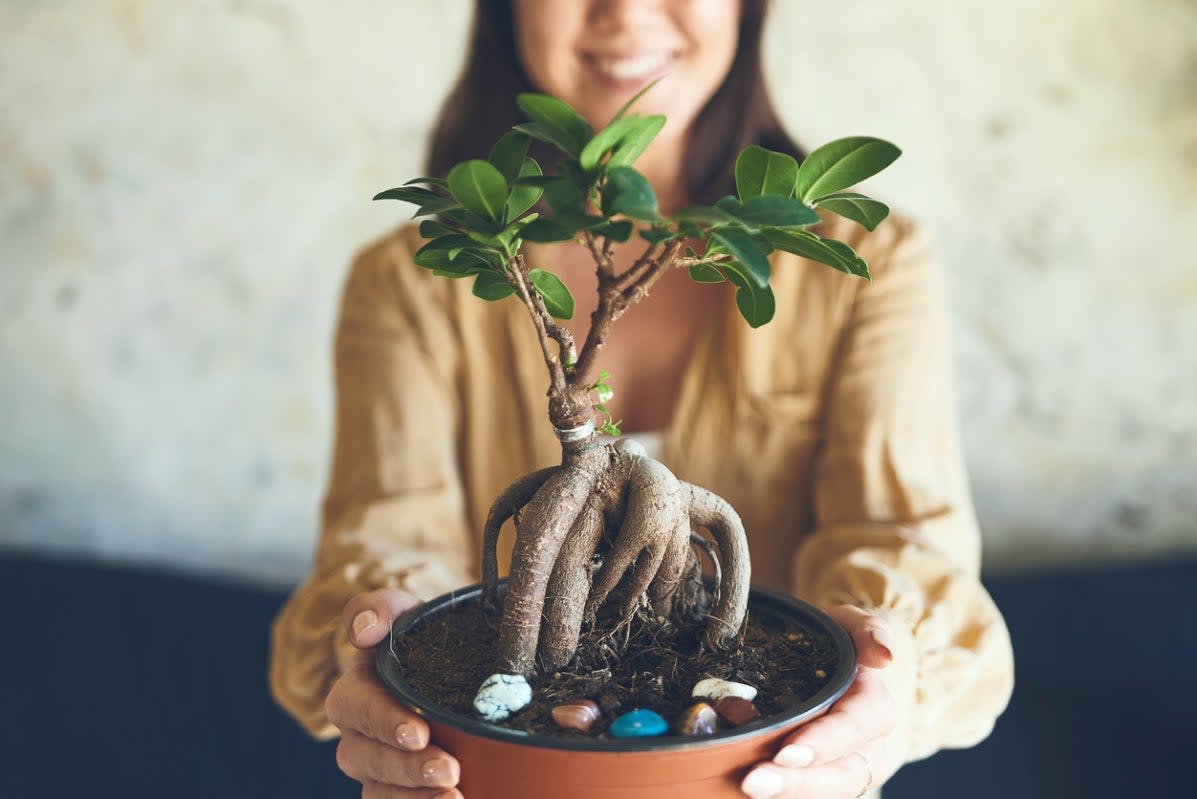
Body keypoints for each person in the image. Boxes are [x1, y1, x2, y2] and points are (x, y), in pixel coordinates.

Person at [270, 1, 1015, 797]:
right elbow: (387, 539)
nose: (624, 12)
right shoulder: (410, 285)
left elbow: (904, 544)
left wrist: (880, 673)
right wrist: (389, 645)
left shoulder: (864, 263)